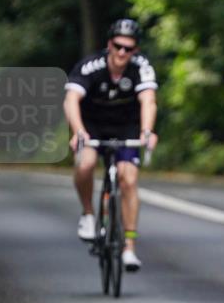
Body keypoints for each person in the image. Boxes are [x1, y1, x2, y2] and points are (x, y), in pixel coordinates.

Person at [63, 19, 158, 271]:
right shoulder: (91, 66)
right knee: (86, 164)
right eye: (118, 46)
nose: (122, 53)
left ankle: (129, 247)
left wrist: (147, 132)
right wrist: (78, 131)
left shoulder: (141, 68)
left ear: (135, 50)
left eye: (129, 48)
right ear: (110, 45)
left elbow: (148, 101)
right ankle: (88, 214)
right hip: (93, 124)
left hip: (126, 126)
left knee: (128, 180)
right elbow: (71, 99)